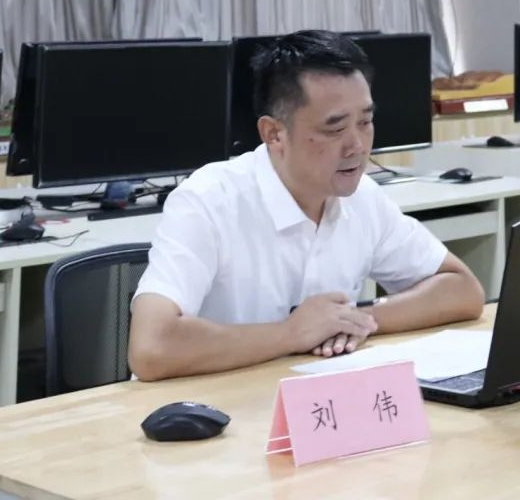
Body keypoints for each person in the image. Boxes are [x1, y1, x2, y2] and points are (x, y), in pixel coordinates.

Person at [128, 30, 484, 381]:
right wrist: (290, 334)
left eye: (365, 122)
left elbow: (463, 290)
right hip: (211, 404)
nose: (358, 146)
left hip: (309, 397)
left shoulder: (364, 197)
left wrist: (357, 319)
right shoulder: (208, 200)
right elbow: (150, 348)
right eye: (335, 129)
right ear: (274, 134)